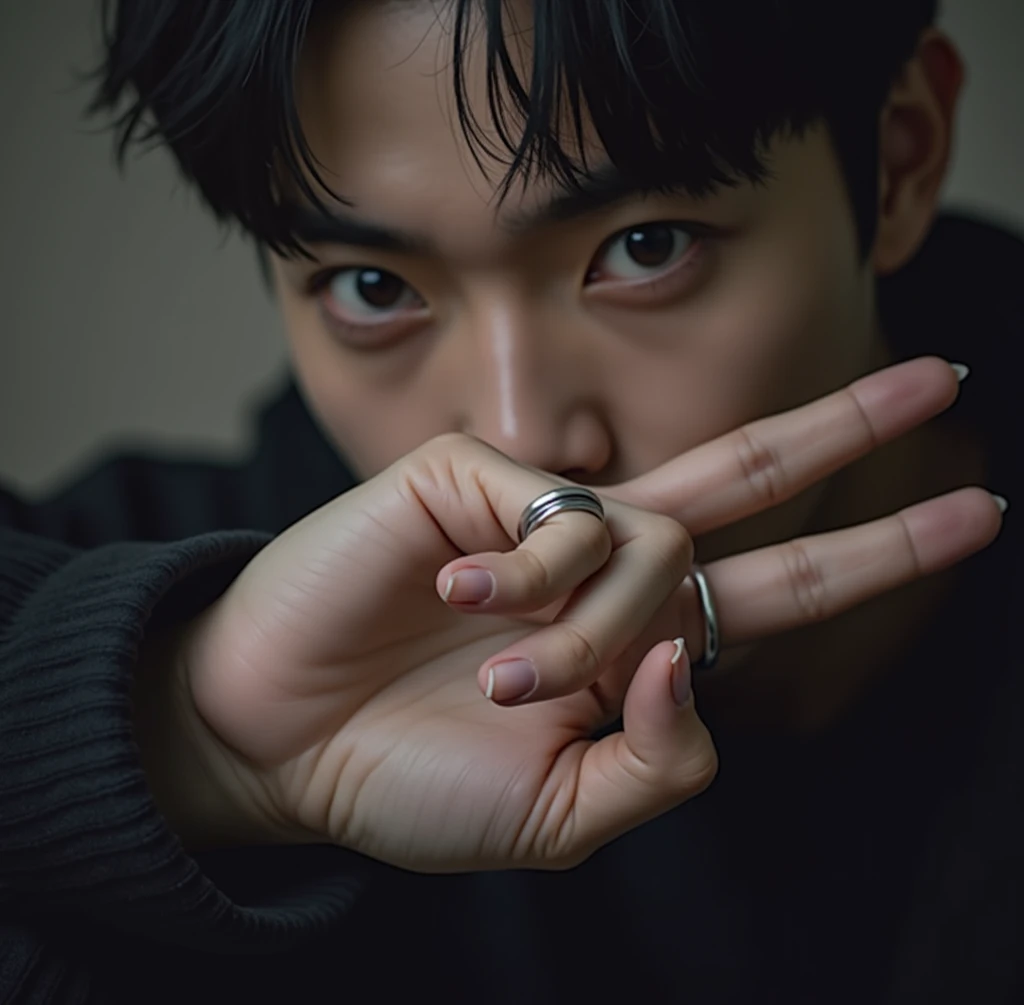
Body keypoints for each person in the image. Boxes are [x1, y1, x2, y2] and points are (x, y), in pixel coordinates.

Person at [1, 0, 1021, 1002]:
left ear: (898, 160)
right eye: (371, 287)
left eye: (648, 246)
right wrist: (190, 740)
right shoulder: (149, 619)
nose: (519, 438)